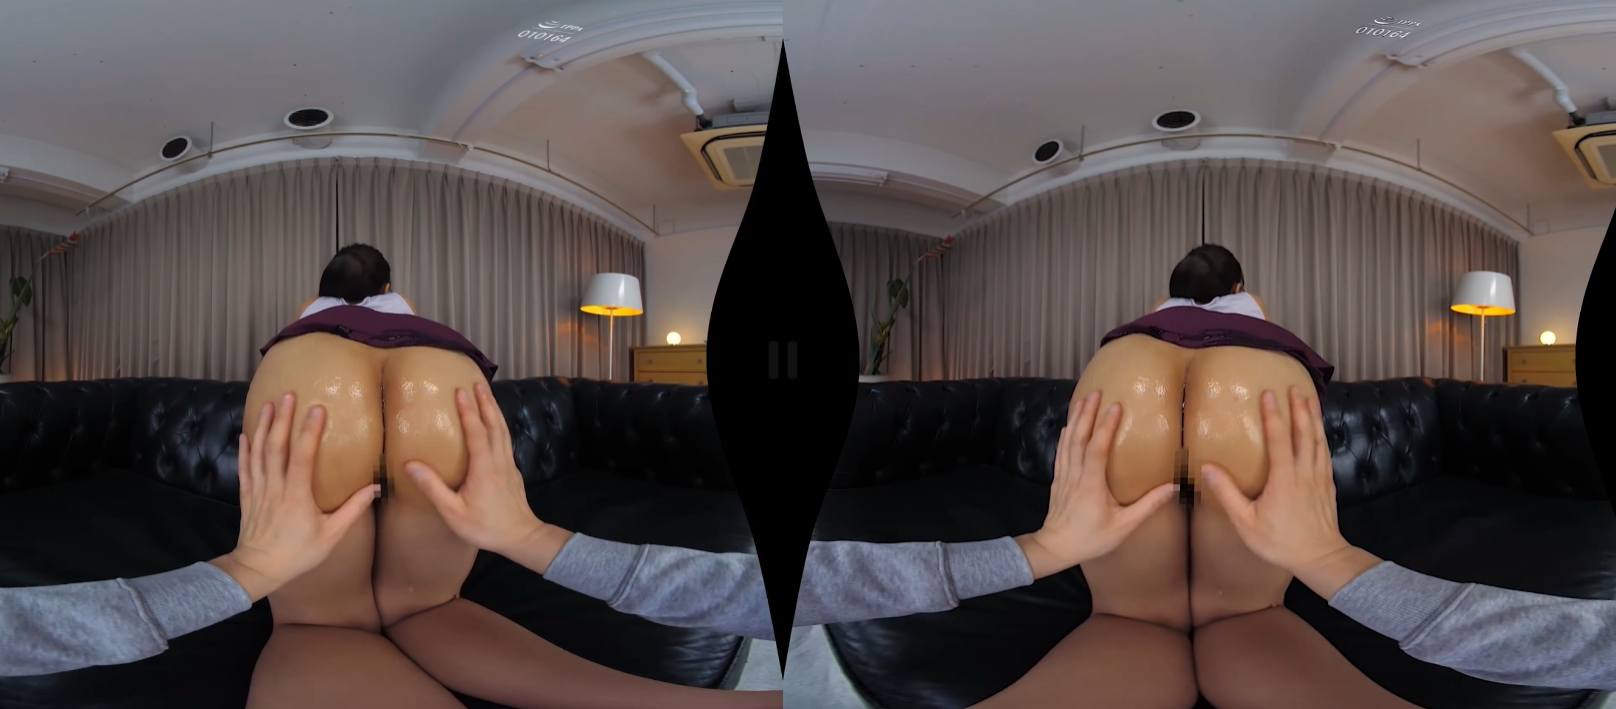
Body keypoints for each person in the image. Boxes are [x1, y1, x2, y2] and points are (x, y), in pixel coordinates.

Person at [239, 244, 777, 709]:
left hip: (309, 376)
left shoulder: (309, 313)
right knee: (427, 605)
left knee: (318, 624)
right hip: (439, 371)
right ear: (387, 288)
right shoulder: (404, 308)